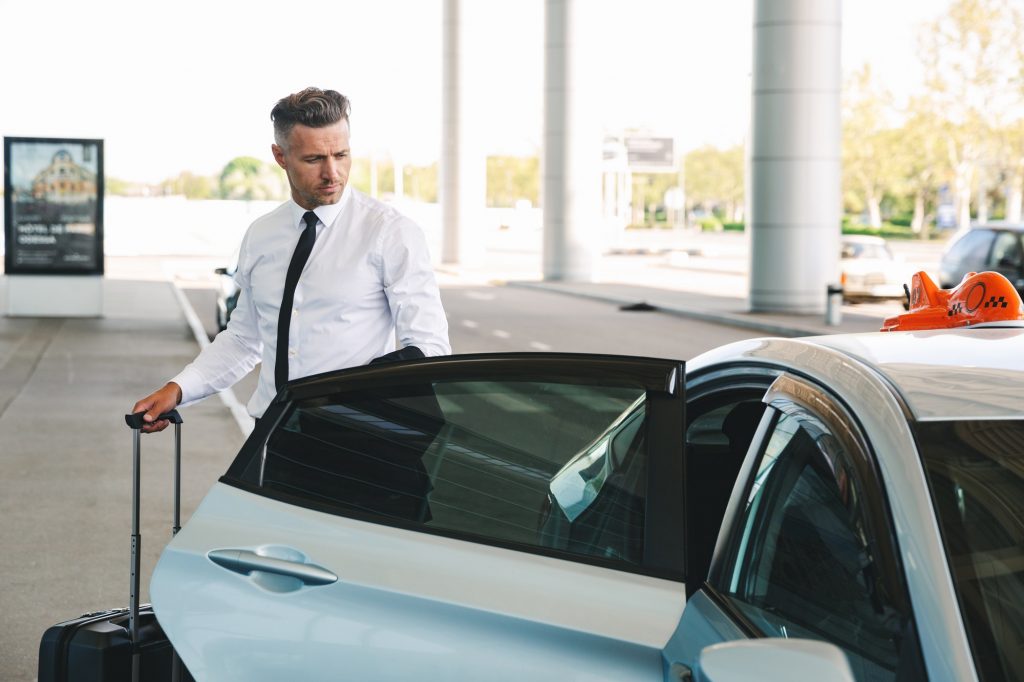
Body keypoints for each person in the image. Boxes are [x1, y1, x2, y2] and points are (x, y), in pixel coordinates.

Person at [132, 87, 450, 432]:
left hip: (356, 434)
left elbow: (429, 347)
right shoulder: (262, 234)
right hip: (270, 432)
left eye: (341, 155)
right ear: (280, 156)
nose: (333, 173)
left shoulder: (390, 233)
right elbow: (243, 340)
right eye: (314, 160)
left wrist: (355, 391)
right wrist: (178, 390)